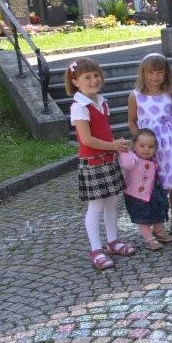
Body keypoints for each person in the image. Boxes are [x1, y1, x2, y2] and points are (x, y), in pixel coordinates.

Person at [66, 57, 136, 270]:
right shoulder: (79, 107)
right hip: (93, 163)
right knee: (95, 206)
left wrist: (115, 145)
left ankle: (113, 241)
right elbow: (87, 140)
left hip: (108, 159)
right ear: (75, 82)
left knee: (113, 202)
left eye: (96, 75)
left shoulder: (101, 102)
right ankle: (96, 250)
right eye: (87, 77)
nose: (93, 80)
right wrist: (113, 145)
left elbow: (104, 131)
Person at [128, 53, 172, 236]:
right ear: (143, 73)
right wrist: (139, 141)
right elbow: (132, 121)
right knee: (153, 184)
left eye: (159, 72)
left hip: (170, 146)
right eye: (151, 72)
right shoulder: (136, 96)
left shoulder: (170, 94)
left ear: (166, 73)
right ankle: (157, 221)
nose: (155, 76)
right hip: (150, 149)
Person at [118, 129, 172, 250]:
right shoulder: (132, 158)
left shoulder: (152, 158)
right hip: (136, 196)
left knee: (158, 211)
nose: (146, 149)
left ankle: (158, 232)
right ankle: (149, 239)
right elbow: (127, 164)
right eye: (142, 146)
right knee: (143, 218)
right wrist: (123, 151)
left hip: (153, 193)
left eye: (150, 147)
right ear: (134, 146)